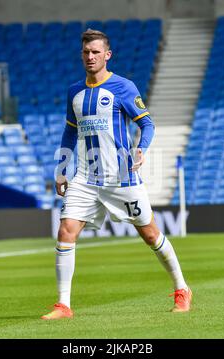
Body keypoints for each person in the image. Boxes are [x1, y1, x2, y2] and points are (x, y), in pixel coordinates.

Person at [41, 29, 192, 320]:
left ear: (107, 55)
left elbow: (147, 124)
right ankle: (63, 305)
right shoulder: (74, 92)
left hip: (121, 177)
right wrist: (62, 170)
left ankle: (182, 289)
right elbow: (69, 133)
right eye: (86, 52)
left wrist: (141, 149)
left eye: (96, 52)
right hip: (85, 177)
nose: (90, 57)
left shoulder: (123, 87)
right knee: (65, 231)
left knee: (150, 234)